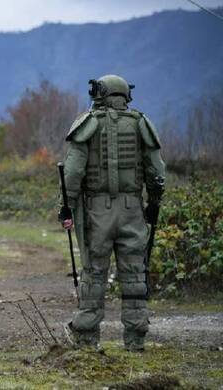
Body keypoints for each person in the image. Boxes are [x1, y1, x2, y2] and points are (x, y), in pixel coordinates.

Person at [59, 74, 165, 351]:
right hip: (132, 210)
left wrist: (66, 207)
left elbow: (72, 172)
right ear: (124, 95)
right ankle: (135, 339)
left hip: (97, 212)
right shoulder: (141, 124)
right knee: (134, 274)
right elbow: (157, 172)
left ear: (100, 94)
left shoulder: (87, 124)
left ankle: (86, 338)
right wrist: (153, 203)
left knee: (94, 273)